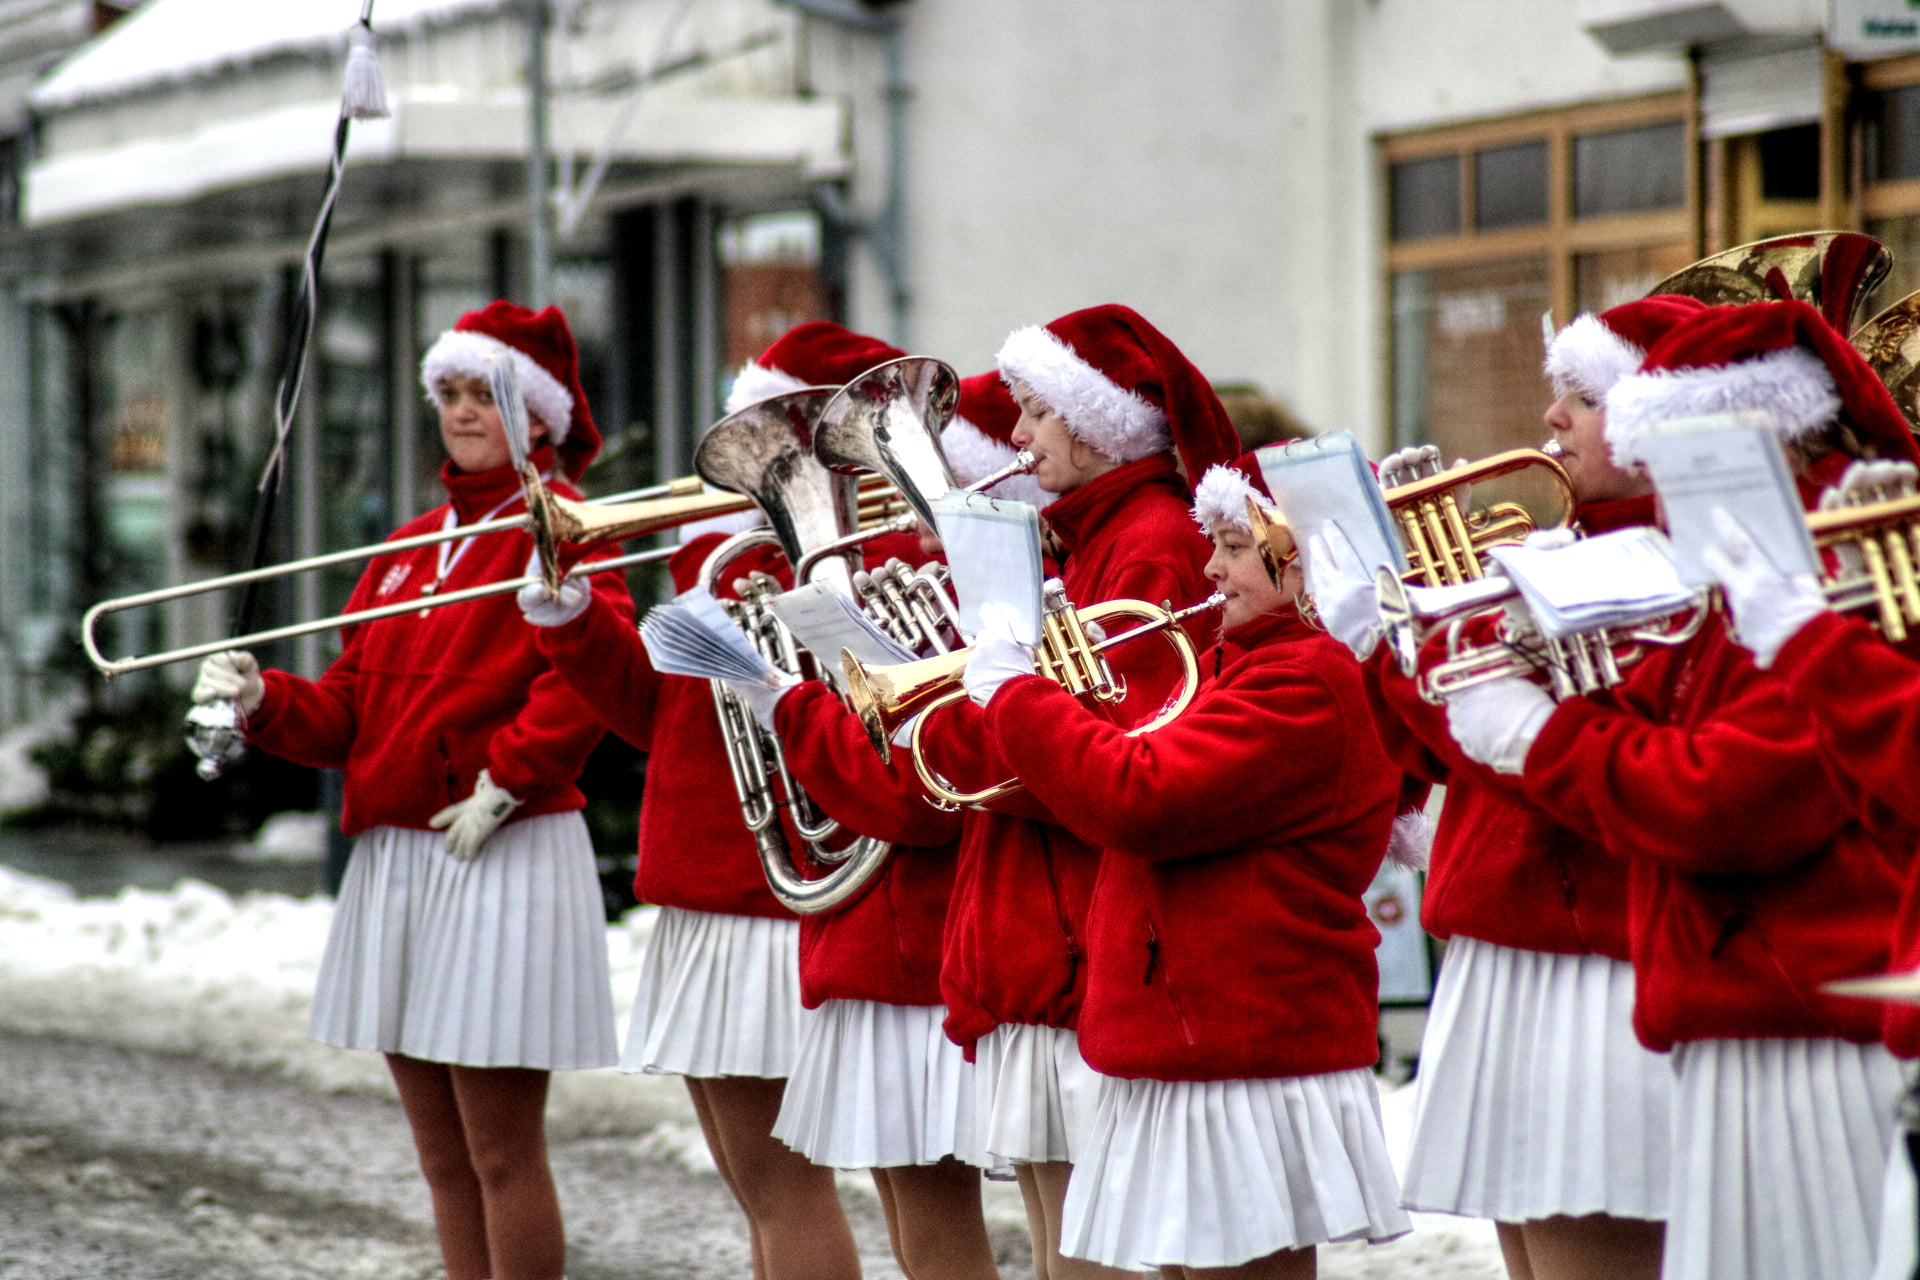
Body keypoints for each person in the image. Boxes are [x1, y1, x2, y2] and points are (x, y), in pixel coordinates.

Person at [1443, 298, 1920, 1280]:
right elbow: (1655, 730)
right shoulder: (1748, 570)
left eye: (1680, 460)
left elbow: (1726, 797)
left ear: (1756, 443)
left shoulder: (1829, 570)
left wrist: (1542, 732)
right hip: (1736, 997)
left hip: (1812, 1015)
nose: (1663, 492)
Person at [191, 301, 628, 1280]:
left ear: (542, 417)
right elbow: (348, 709)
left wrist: (509, 780)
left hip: (499, 845)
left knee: (502, 1150)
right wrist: (266, 699)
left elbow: (590, 678)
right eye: (452, 393)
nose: (464, 412)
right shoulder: (407, 545)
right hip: (397, 850)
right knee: (443, 1156)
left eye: (488, 395)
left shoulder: (574, 528)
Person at [1307, 295, 1706, 1280]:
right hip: (1514, 945)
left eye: (1580, 397)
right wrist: (1393, 637)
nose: (1551, 422)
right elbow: (1456, 752)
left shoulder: (1683, 563)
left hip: (1597, 962)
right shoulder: (1557, 551)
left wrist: (1494, 680)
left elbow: (1599, 769)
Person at [956, 454, 1409, 1278]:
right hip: (1194, 1038)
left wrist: (1020, 695)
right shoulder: (1247, 666)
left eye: (1234, 546)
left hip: (1240, 1047)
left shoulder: (1304, 680)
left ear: (1305, 555)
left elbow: (1139, 798)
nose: (1209, 567)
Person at [515, 321, 903, 1280]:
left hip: (768, 895)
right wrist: (572, 617)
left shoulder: (832, 555)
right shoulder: (720, 557)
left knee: (782, 1187)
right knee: (754, 1187)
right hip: (702, 886)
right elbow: (662, 717)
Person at [910, 304, 1240, 1280]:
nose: (1015, 437)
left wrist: (970, 734)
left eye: (1038, 413)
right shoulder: (1088, 537)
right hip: (1044, 929)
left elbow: (1124, 755)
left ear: (1104, 421)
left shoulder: (1146, 542)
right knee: (1069, 1248)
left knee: (1094, 1253)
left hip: (1079, 937)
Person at [727, 370, 1038, 1280]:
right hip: (869, 936)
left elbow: (920, 791)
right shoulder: (897, 587)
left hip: (926, 944)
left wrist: (792, 710)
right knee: (914, 1226)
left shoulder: (967, 597)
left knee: (941, 1229)